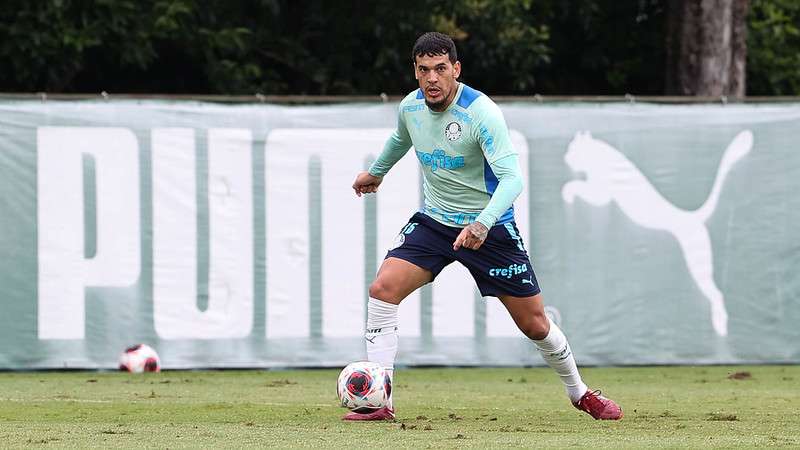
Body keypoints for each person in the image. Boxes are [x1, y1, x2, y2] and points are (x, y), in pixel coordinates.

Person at [346, 32, 622, 421]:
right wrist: (375, 173)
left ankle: (580, 393)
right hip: (435, 222)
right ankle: (380, 403)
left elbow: (512, 179)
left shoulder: (481, 112)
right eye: (424, 70)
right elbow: (399, 139)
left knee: (535, 324)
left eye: (441, 69)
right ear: (415, 72)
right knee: (382, 290)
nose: (432, 79)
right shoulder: (410, 108)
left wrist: (482, 223)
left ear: (456, 69)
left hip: (489, 228)